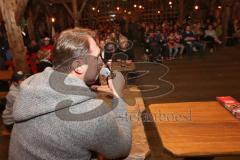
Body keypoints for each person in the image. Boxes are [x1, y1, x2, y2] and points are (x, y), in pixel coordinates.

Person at [9, 28, 132, 160]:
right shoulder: (91, 113)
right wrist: (118, 95)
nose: (101, 62)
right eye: (97, 57)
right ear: (78, 66)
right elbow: (122, 149)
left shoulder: (32, 84)